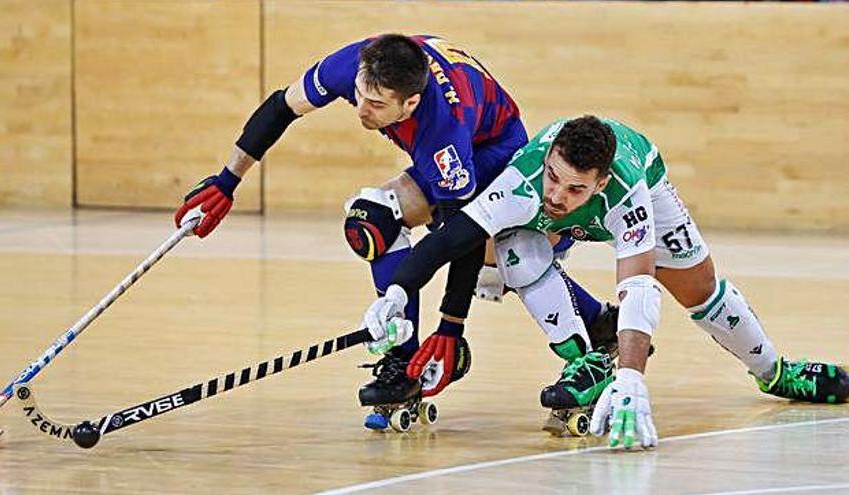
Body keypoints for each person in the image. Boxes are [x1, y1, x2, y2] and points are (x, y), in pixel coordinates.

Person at [172, 34, 613, 427]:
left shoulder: (444, 133)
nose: (362, 110)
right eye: (360, 95)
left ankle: (592, 321)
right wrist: (227, 182)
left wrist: (450, 329)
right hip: (451, 141)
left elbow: (462, 236)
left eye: (377, 105)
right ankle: (402, 359)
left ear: (410, 104)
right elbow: (281, 107)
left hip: (494, 152)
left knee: (489, 262)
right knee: (371, 221)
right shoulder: (356, 65)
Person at [363, 115, 849, 446]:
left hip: (650, 180)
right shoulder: (526, 180)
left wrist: (633, 377)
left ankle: (776, 372)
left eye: (574, 188)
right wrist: (399, 291)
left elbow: (638, 288)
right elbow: (450, 241)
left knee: (698, 289)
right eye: (553, 177)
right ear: (548, 157)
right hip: (536, 212)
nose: (556, 195)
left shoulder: (627, 194)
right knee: (513, 246)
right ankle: (586, 361)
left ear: (599, 184)